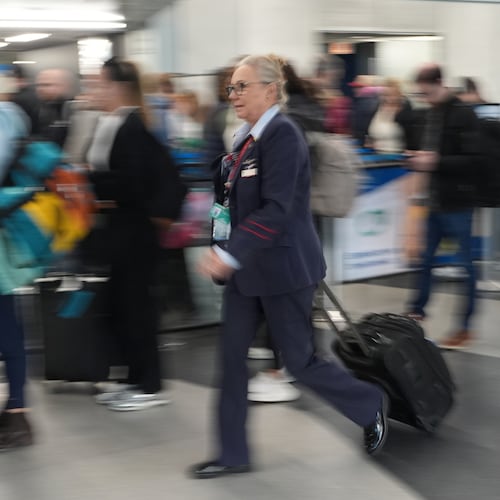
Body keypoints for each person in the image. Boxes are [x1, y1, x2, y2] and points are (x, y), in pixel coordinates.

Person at [191, 55, 388, 479]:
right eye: (231, 87)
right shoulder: (245, 139)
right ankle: (231, 453)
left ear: (269, 89)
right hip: (245, 272)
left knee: (300, 362)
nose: (234, 95)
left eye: (242, 86)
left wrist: (228, 253)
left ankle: (369, 403)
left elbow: (277, 210)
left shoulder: (284, 135)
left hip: (283, 270)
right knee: (230, 361)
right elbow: (233, 202)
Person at [86, 58, 173, 411]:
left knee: (137, 309)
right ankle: (132, 377)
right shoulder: (111, 123)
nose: (93, 90)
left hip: (135, 233)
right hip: (119, 232)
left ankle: (149, 384)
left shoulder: (132, 126)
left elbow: (133, 183)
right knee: (120, 307)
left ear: (116, 87)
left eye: (99, 83)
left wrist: (92, 185)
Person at [405, 64, 481, 349]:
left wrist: (435, 161)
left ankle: (465, 326)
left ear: (440, 84)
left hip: (458, 202)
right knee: (424, 261)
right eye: (421, 94)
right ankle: (416, 311)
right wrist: (417, 159)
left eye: (428, 92)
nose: (425, 98)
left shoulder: (463, 114)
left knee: (465, 266)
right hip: (433, 202)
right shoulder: (428, 115)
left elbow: (474, 160)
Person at [0, 74, 34, 450]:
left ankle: (18, 412)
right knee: (7, 320)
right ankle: (16, 410)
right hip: (5, 233)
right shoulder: (10, 114)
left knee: (6, 322)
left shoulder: (5, 115)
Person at [366, 79, 416, 153]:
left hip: (397, 155)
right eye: (386, 94)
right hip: (378, 155)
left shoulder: (405, 110)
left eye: (392, 94)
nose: (388, 98)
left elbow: (411, 136)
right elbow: (370, 132)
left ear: (399, 94)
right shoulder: (378, 108)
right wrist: (370, 141)